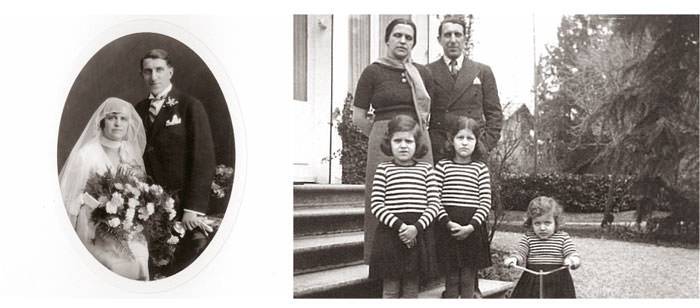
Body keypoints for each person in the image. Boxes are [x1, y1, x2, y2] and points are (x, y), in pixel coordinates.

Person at [352, 18, 434, 262]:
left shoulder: (423, 74)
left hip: (417, 141)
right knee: (382, 198)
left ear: (413, 44)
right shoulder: (373, 71)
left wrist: (412, 140)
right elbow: (358, 117)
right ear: (387, 39)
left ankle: (420, 265)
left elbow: (429, 112)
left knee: (420, 196)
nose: (403, 41)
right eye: (397, 35)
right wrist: (383, 138)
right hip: (384, 142)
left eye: (408, 38)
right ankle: (379, 263)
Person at [135, 49, 216, 276]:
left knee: (180, 266)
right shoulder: (137, 110)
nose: (154, 76)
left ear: (170, 72)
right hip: (147, 205)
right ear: (142, 75)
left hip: (182, 206)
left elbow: (203, 157)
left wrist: (193, 208)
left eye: (159, 70)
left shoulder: (189, 106)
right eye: (148, 71)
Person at [59, 97, 150, 280]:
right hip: (93, 225)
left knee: (140, 257)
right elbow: (71, 196)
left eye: (123, 119)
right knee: (112, 265)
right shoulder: (87, 154)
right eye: (112, 117)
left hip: (126, 227)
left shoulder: (129, 152)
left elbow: (140, 192)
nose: (118, 123)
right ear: (102, 121)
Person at [368, 115, 441, 298]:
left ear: (417, 144)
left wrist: (415, 228)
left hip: (417, 235)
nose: (403, 145)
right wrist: (402, 227)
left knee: (411, 288)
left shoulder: (425, 170)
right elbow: (376, 205)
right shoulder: (384, 169)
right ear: (389, 142)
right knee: (390, 288)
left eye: (408, 141)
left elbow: (434, 204)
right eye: (397, 140)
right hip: (390, 235)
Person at [427, 16, 503, 163]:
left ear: (465, 39)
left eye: (458, 34)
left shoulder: (482, 71)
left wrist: (483, 145)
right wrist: (431, 145)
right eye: (447, 35)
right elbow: (421, 114)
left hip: (473, 150)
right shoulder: (428, 72)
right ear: (439, 39)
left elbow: (495, 114)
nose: (453, 40)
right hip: (440, 151)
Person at [432, 116, 493, 298]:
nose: (465, 143)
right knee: (451, 278)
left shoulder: (480, 169)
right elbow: (435, 198)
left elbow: (485, 203)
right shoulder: (443, 166)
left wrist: (470, 227)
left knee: (468, 278)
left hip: (472, 230)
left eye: (470, 138)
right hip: (448, 229)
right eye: (460, 138)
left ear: (476, 141)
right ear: (451, 140)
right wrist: (448, 223)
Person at [504, 196, 581, 298]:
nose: (542, 228)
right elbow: (520, 252)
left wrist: (572, 260)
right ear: (531, 223)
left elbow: (572, 254)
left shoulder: (562, 237)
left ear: (556, 222)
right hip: (532, 280)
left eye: (547, 223)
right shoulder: (529, 237)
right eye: (537, 223)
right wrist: (514, 259)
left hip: (558, 281)